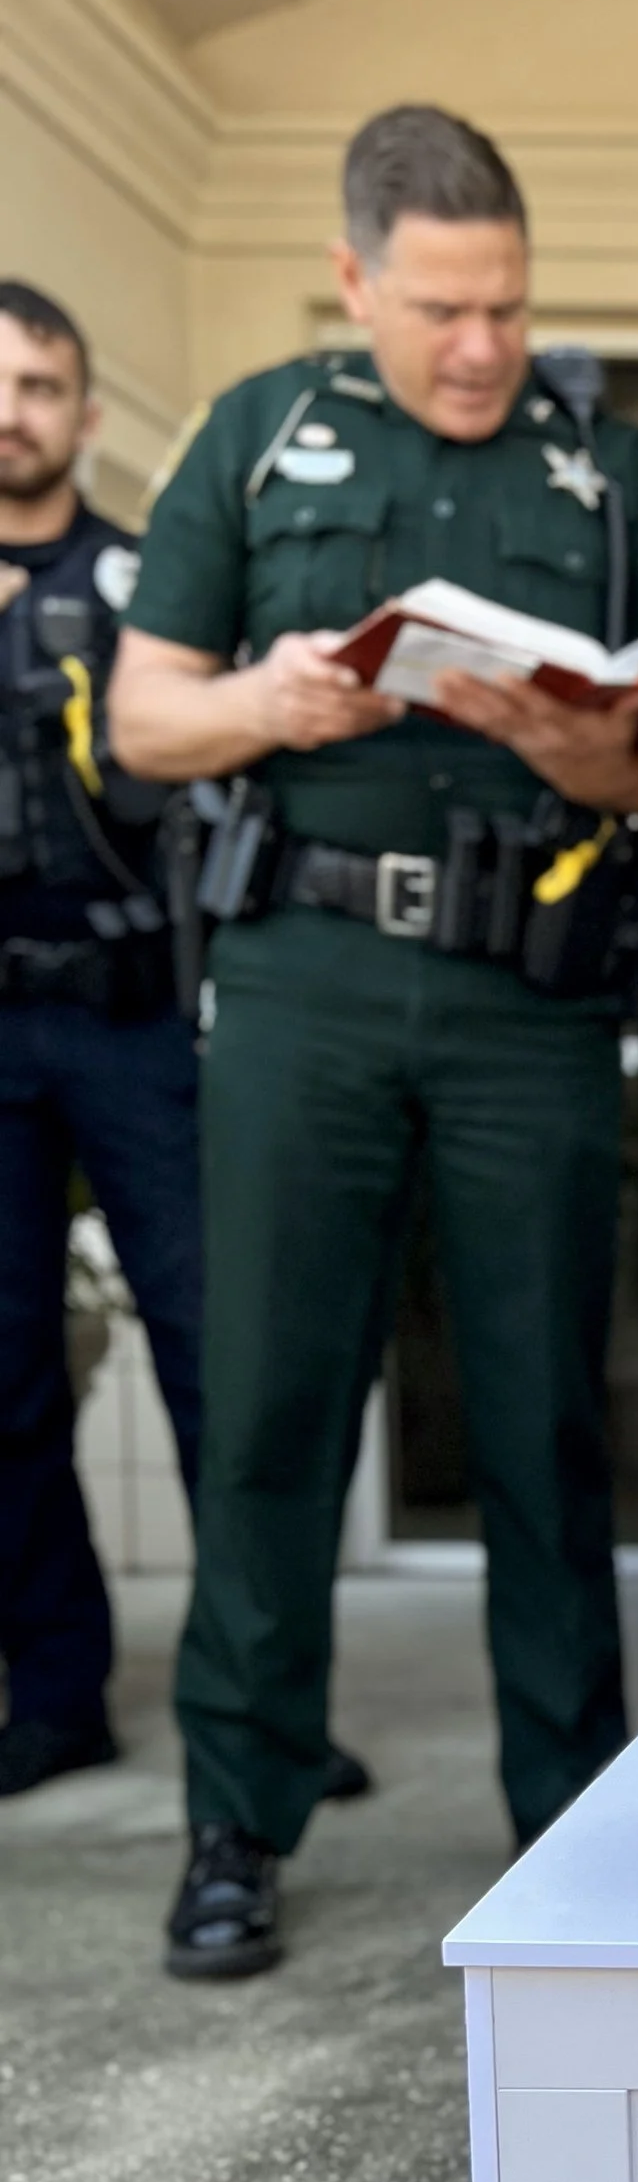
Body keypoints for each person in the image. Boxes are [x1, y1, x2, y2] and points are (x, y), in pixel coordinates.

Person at [110, 102, 638, 1977]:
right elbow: (147, 720)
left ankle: (568, 1821)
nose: (483, 347)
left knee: (547, 1412)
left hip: (525, 994)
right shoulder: (263, 435)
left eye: (512, 307)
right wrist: (265, 704)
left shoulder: (609, 469)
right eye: (445, 308)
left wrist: (596, 754)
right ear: (357, 278)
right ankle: (241, 1811)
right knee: (277, 1403)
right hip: (300, 978)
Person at [0, 282, 193, 1793]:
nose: (16, 409)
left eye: (42, 384)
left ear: (86, 412)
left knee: (214, 1357)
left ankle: (259, 1705)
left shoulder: (146, 586)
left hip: (135, 1019)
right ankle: (57, 1691)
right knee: (7, 1367)